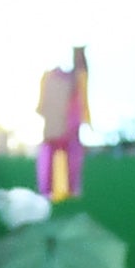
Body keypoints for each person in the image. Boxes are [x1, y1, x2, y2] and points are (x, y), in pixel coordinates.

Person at [37, 44, 91, 202]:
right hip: (55, 134)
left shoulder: (78, 81)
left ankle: (68, 190)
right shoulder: (51, 79)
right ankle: (51, 191)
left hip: (67, 135)